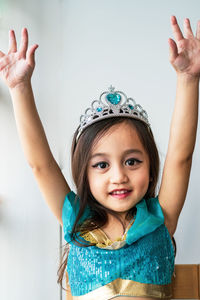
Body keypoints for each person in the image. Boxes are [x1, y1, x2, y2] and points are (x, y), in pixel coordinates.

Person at [0, 15, 199, 300]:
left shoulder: (160, 217)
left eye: (132, 161)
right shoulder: (74, 219)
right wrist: (20, 88)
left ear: (152, 168)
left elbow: (181, 156)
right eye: (101, 165)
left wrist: (189, 79)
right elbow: (40, 165)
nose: (118, 175)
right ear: (85, 174)